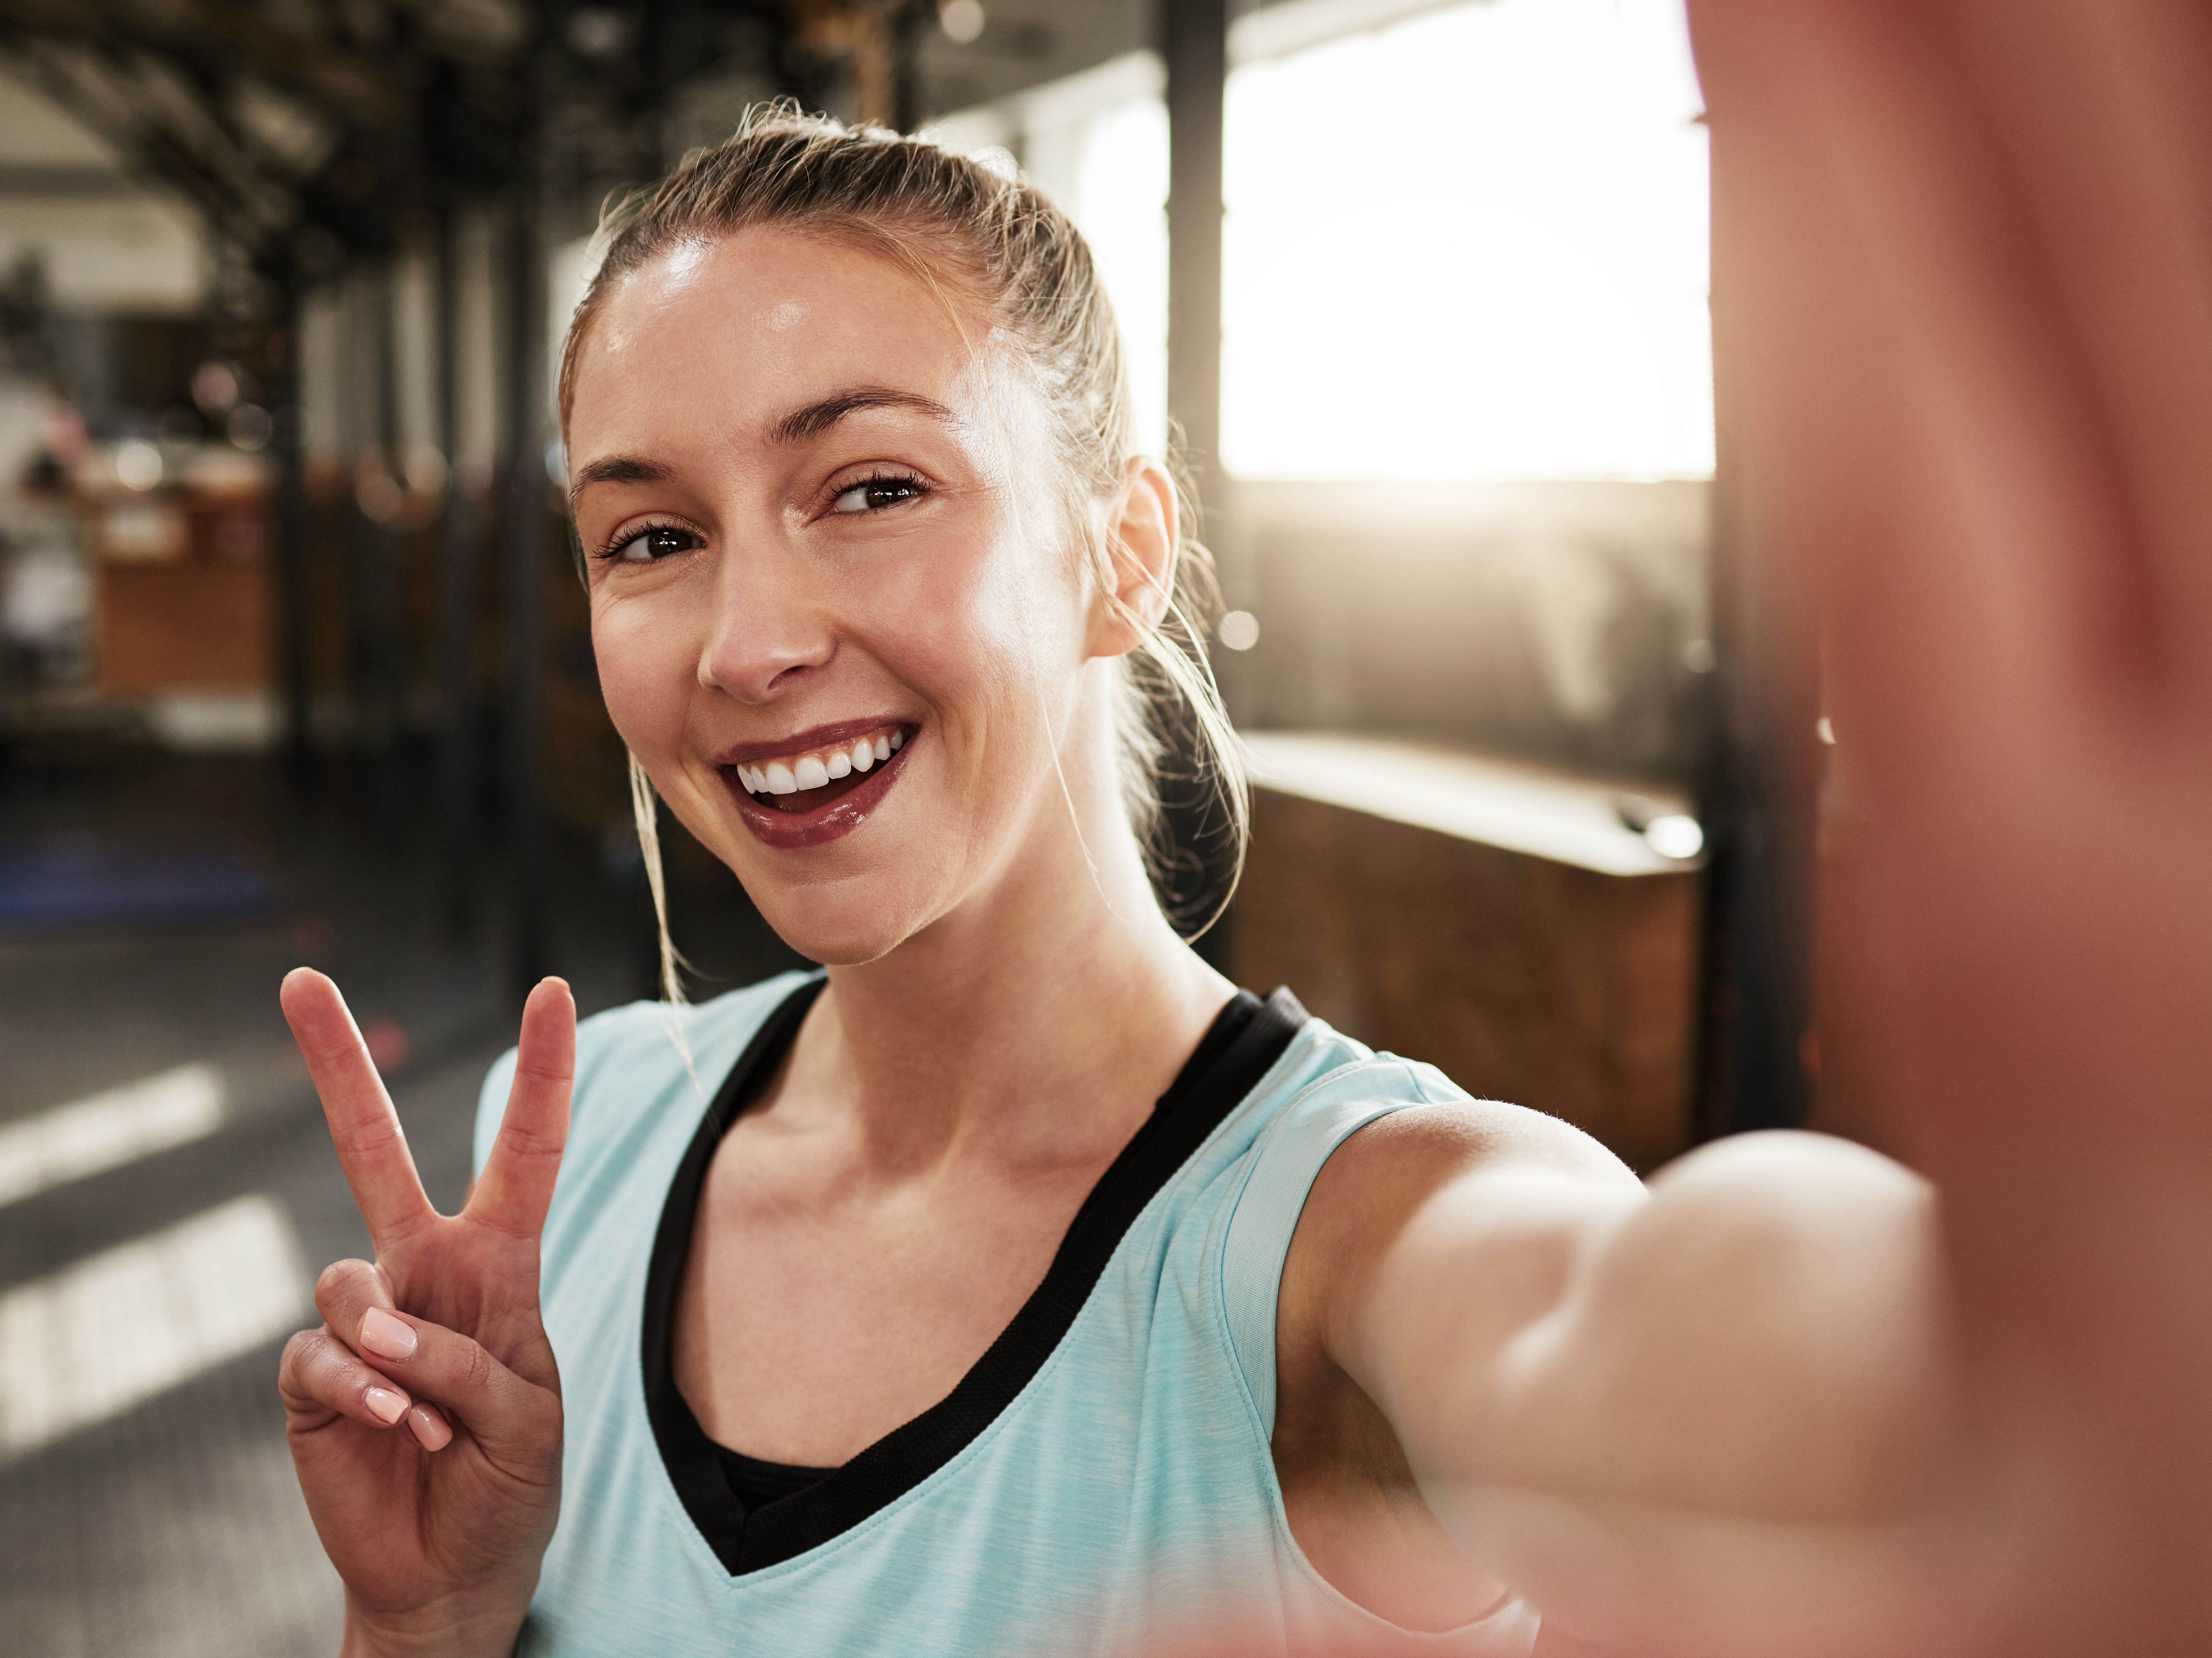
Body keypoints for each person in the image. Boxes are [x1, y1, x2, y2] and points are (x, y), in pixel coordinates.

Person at [274, 111, 1960, 1657]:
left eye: (873, 490)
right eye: (652, 538)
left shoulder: (1344, 1239)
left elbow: (1639, 1336)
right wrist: (426, 1623)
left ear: (1121, 555)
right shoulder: (582, 1147)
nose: (748, 645)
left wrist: (1881, 1355)